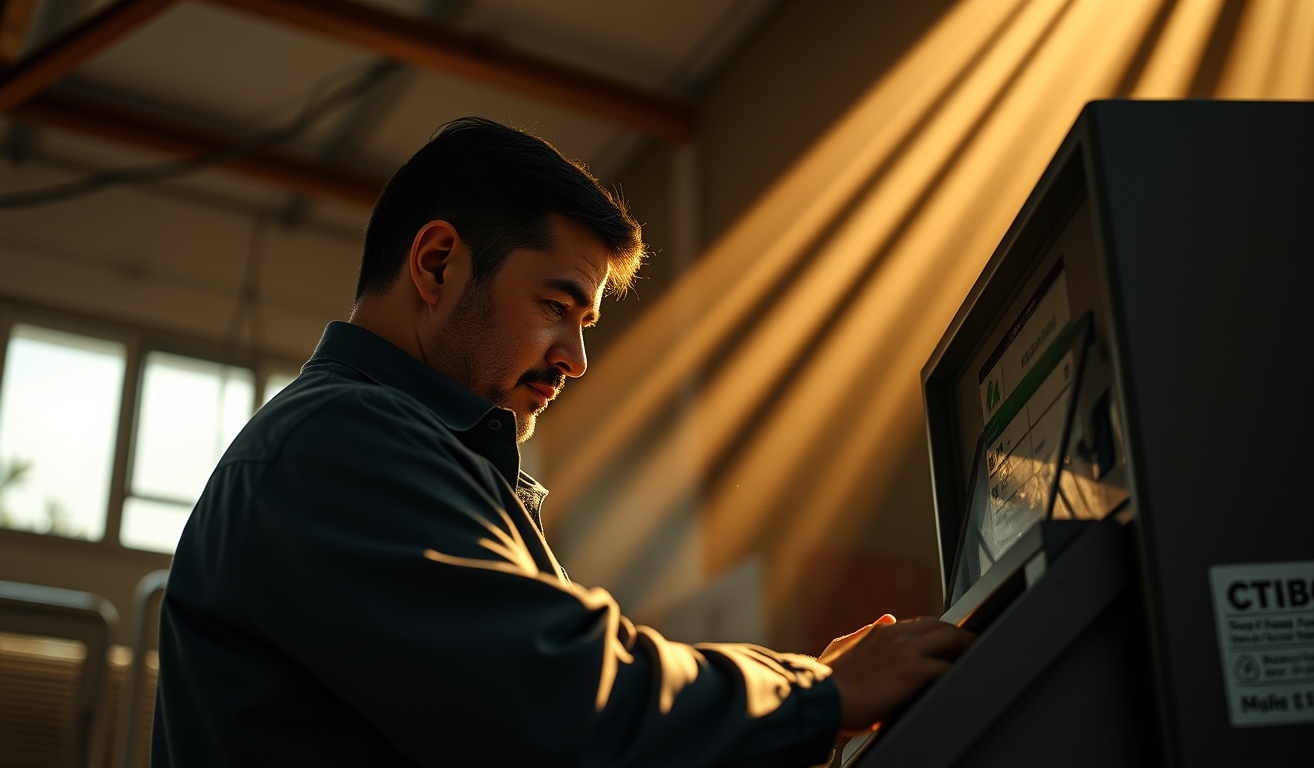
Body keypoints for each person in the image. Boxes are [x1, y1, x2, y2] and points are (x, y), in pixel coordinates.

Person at [152, 117, 973, 767]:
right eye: (556, 307)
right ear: (436, 266)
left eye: (586, 325)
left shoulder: (411, 452)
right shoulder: (340, 444)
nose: (575, 360)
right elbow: (570, 702)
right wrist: (816, 693)